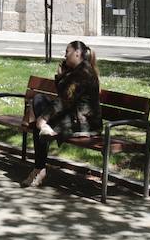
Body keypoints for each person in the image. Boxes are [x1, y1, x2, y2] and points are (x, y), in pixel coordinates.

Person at [21, 40, 101, 189]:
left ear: (77, 53)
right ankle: (40, 165)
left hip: (84, 124)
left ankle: (39, 168)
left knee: (39, 119)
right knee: (39, 99)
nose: (64, 55)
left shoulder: (83, 73)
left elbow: (64, 100)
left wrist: (43, 119)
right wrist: (62, 76)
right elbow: (63, 96)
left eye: (67, 52)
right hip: (74, 117)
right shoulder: (77, 71)